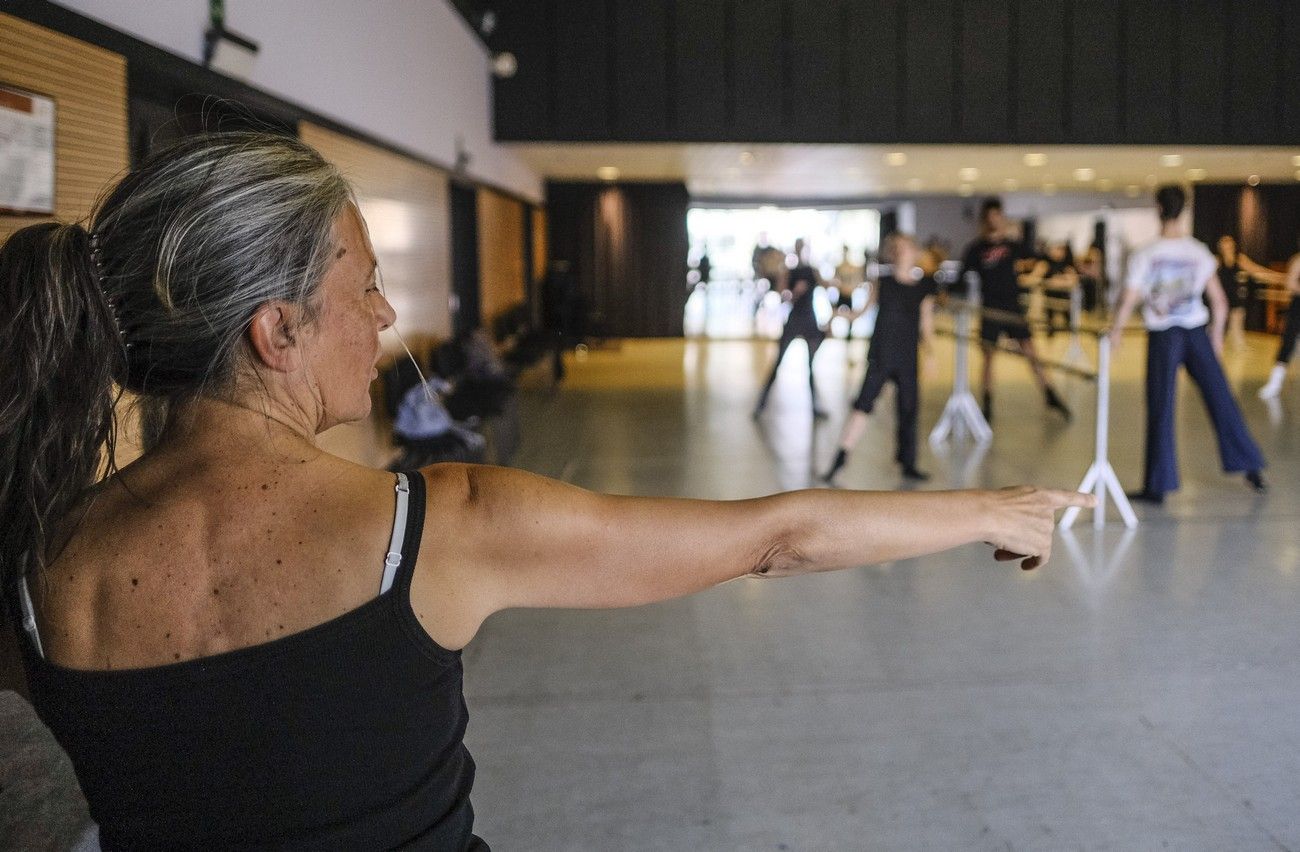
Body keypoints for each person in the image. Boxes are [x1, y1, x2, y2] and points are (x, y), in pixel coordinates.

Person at [0, 133, 1090, 850]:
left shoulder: (38, 567)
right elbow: (778, 536)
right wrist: (994, 509)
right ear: (276, 331)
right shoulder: (434, 529)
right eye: (366, 286)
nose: (384, 319)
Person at [1108, 186, 1267, 504]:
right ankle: (1251, 468)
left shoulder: (1146, 254)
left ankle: (1158, 486)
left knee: (1161, 406)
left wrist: (1117, 332)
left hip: (1164, 335)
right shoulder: (1198, 252)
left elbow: (1128, 298)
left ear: (1158, 208)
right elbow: (1219, 303)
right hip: (1196, 333)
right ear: (1184, 209)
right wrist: (1217, 339)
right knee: (1221, 399)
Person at [823, 233, 936, 483]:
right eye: (896, 249)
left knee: (908, 409)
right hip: (882, 355)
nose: (900, 253)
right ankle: (840, 457)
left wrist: (930, 354)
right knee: (863, 405)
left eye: (905, 248)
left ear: (914, 252)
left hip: (907, 357)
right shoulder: (882, 282)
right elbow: (861, 312)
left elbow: (926, 325)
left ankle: (908, 463)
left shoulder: (923, 288)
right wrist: (839, 315)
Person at [957, 198, 1071, 423]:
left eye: (997, 218)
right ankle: (987, 402)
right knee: (988, 357)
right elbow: (960, 279)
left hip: (1013, 308)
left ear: (1001, 218)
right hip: (990, 310)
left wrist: (1055, 259)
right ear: (984, 220)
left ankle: (1049, 394)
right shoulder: (976, 249)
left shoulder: (1012, 245)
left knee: (1031, 352)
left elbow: (1038, 256)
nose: (993, 222)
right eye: (989, 219)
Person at [754, 238, 829, 418]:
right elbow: (782, 296)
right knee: (778, 362)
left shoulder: (813, 270)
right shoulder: (788, 271)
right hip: (795, 320)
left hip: (810, 320)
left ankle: (814, 407)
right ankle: (761, 403)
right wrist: (794, 292)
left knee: (811, 366)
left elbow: (827, 287)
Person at [1215, 235, 1283, 349]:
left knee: (1237, 324)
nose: (1228, 247)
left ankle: (1238, 348)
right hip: (1221, 297)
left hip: (1236, 297)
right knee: (1218, 324)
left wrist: (1279, 278)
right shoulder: (1217, 260)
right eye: (1225, 245)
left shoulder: (1239, 259)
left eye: (1230, 244)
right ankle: (1215, 345)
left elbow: (1257, 271)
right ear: (1220, 247)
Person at [1258, 249, 1300, 399]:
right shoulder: (1298, 260)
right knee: (1287, 344)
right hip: (1297, 309)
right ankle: (1275, 384)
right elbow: (1290, 283)